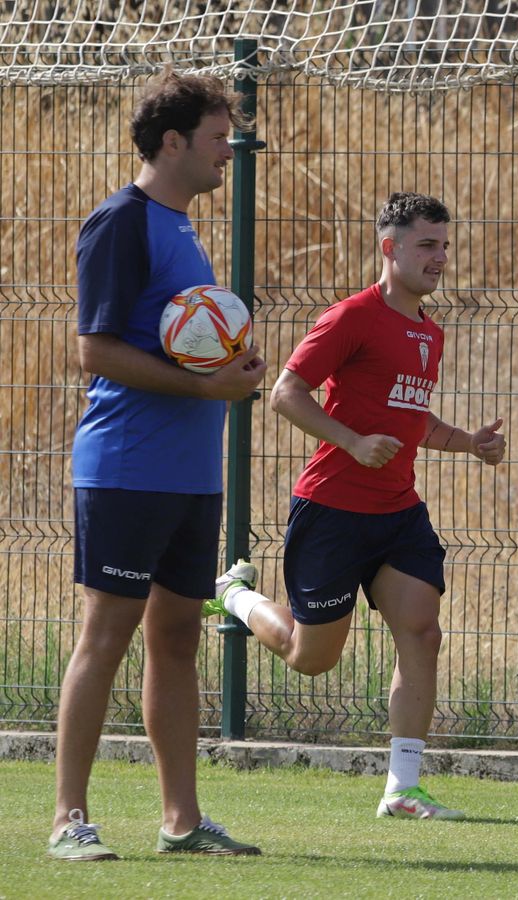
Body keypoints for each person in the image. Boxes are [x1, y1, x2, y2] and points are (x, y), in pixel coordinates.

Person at [207, 192, 506, 821]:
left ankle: (402, 787)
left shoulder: (429, 332)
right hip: (333, 511)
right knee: (312, 659)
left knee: (422, 634)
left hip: (399, 513)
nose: (440, 257)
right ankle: (237, 594)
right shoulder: (350, 317)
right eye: (427, 244)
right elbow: (286, 393)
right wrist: (350, 441)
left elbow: (409, 416)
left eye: (445, 245)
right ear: (389, 248)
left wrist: (469, 444)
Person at [53, 70, 267, 861]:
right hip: (125, 466)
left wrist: (235, 367)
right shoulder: (121, 221)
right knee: (104, 634)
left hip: (190, 472)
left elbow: (179, 339)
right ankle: (69, 820)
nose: (228, 153)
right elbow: (95, 350)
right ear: (172, 141)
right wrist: (203, 383)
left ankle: (182, 820)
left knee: (176, 636)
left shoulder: (182, 227)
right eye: (218, 138)